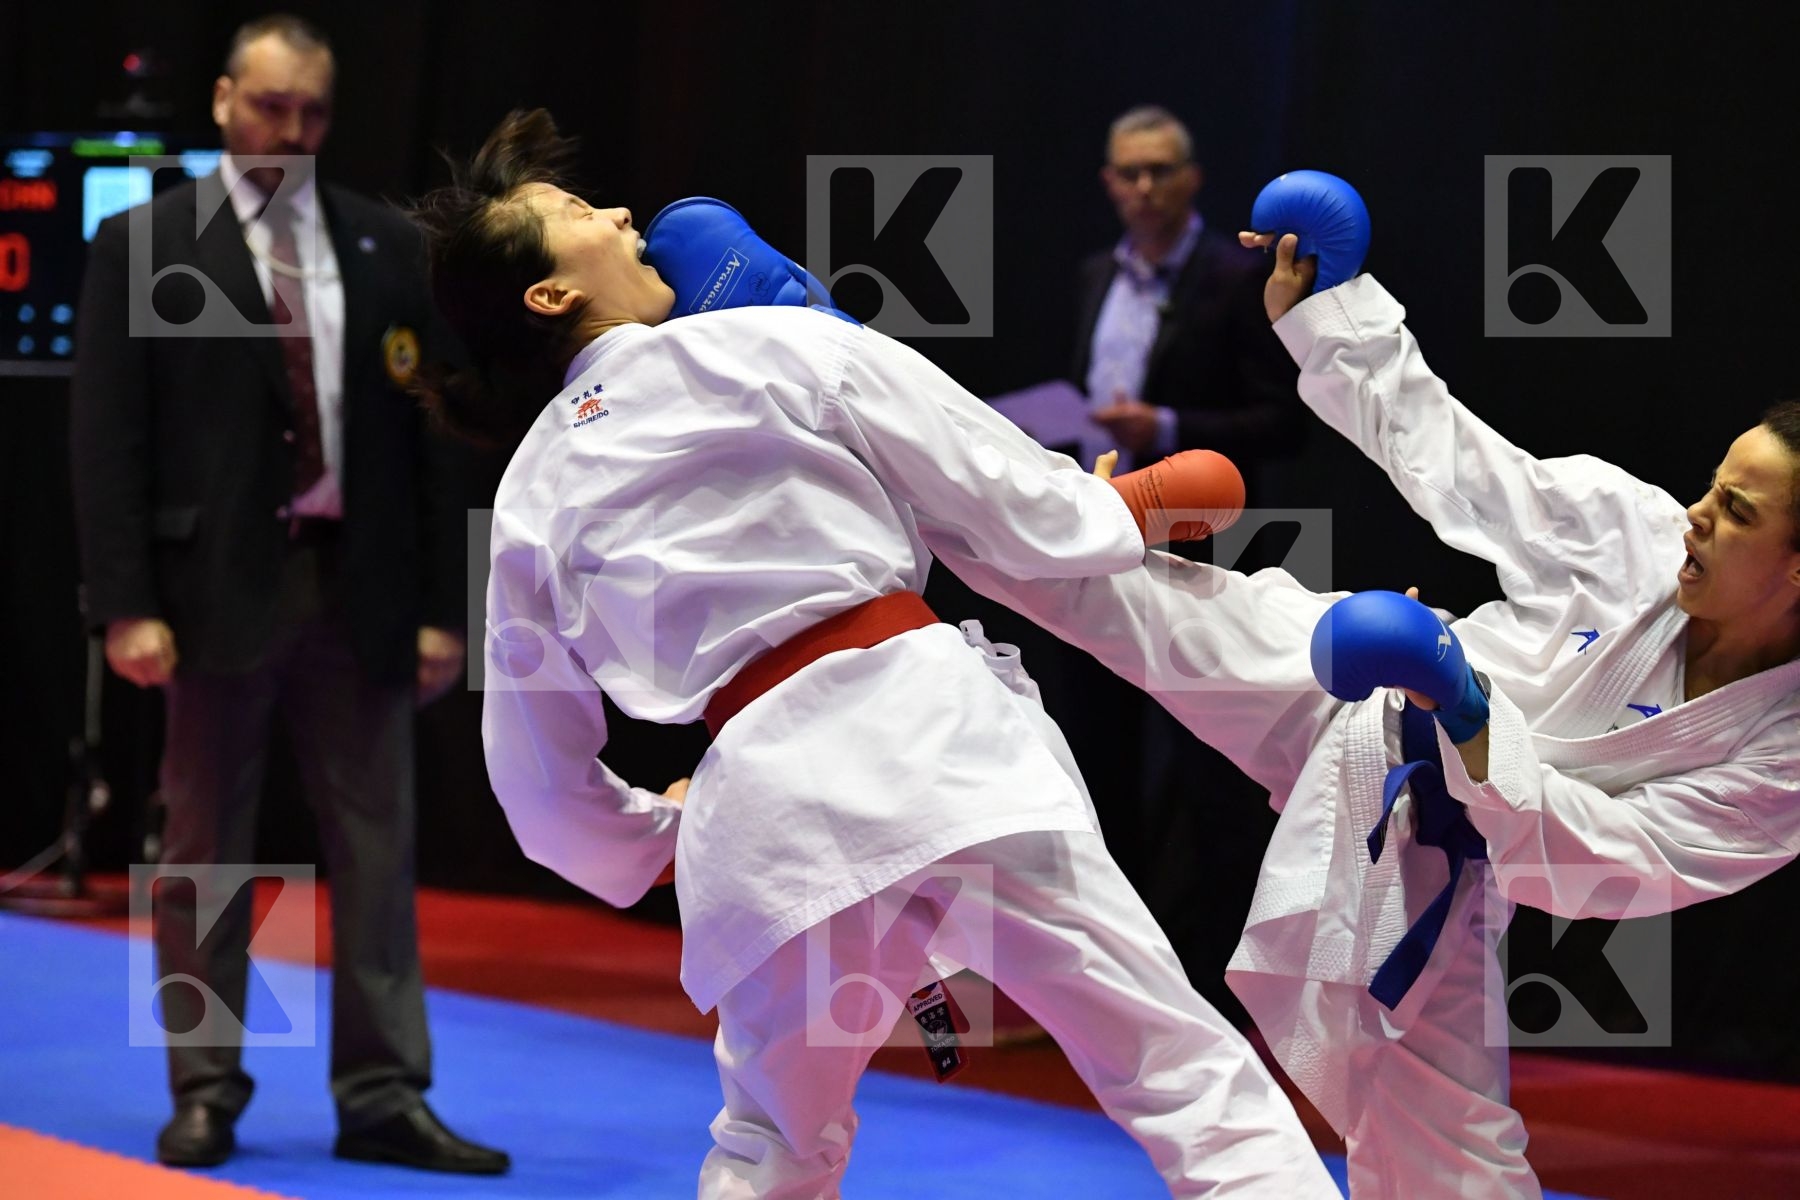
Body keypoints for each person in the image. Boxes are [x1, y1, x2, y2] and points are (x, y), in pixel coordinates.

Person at [409, 108, 1339, 1198]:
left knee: (771, 1146)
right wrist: (1118, 510)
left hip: (764, 810)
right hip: (937, 749)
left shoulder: (530, 493)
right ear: (549, 294)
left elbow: (534, 781)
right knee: (1184, 1077)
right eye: (578, 213)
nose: (620, 213)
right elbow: (994, 486)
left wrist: (654, 833)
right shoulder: (766, 340)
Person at [928, 229, 1800, 1196]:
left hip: (1443, 858)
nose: (1697, 513)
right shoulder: (1633, 531)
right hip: (1357, 693)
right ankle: (891, 430)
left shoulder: (1783, 759)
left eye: (1738, 510)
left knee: (1457, 1165)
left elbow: (1619, 866)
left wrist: (1469, 714)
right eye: (1712, 486)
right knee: (1105, 585)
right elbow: (1458, 459)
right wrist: (1330, 315)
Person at [69, 14, 506, 1175]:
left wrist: (441, 609)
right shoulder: (149, 244)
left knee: (379, 847)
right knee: (207, 851)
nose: (291, 130)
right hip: (207, 592)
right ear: (222, 101)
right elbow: (107, 439)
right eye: (270, 106)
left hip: (356, 589)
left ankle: (382, 1094)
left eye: (311, 111)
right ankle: (205, 1087)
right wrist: (123, 601)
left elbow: (433, 443)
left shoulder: (381, 247)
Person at [1064, 103, 1306, 1016]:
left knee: (1215, 777)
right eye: (1129, 173)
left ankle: (1223, 988)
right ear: (1108, 183)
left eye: (1161, 171)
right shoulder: (1094, 276)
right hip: (1101, 551)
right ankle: (1113, 991)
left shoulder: (1237, 276)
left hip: (1212, 556)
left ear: (1193, 178)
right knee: (1098, 765)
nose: (1144, 189)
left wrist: (1166, 432)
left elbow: (1283, 420)